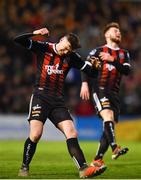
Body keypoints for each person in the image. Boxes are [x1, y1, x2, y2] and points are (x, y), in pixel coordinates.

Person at [14, 28, 106, 178]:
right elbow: (17, 40)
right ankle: (24, 166)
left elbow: (90, 72)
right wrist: (35, 33)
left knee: (72, 132)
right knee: (36, 134)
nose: (66, 51)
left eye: (70, 49)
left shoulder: (71, 56)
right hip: (40, 96)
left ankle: (83, 169)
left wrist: (97, 68)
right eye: (66, 47)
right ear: (62, 39)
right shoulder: (44, 47)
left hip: (57, 101)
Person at [80, 22, 131, 168]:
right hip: (99, 89)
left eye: (119, 31)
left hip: (115, 94)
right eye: (115, 30)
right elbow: (85, 68)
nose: (118, 33)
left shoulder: (123, 54)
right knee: (107, 116)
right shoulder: (97, 51)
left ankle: (97, 158)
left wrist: (112, 60)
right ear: (107, 34)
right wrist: (84, 84)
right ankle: (115, 147)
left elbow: (127, 71)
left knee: (109, 127)